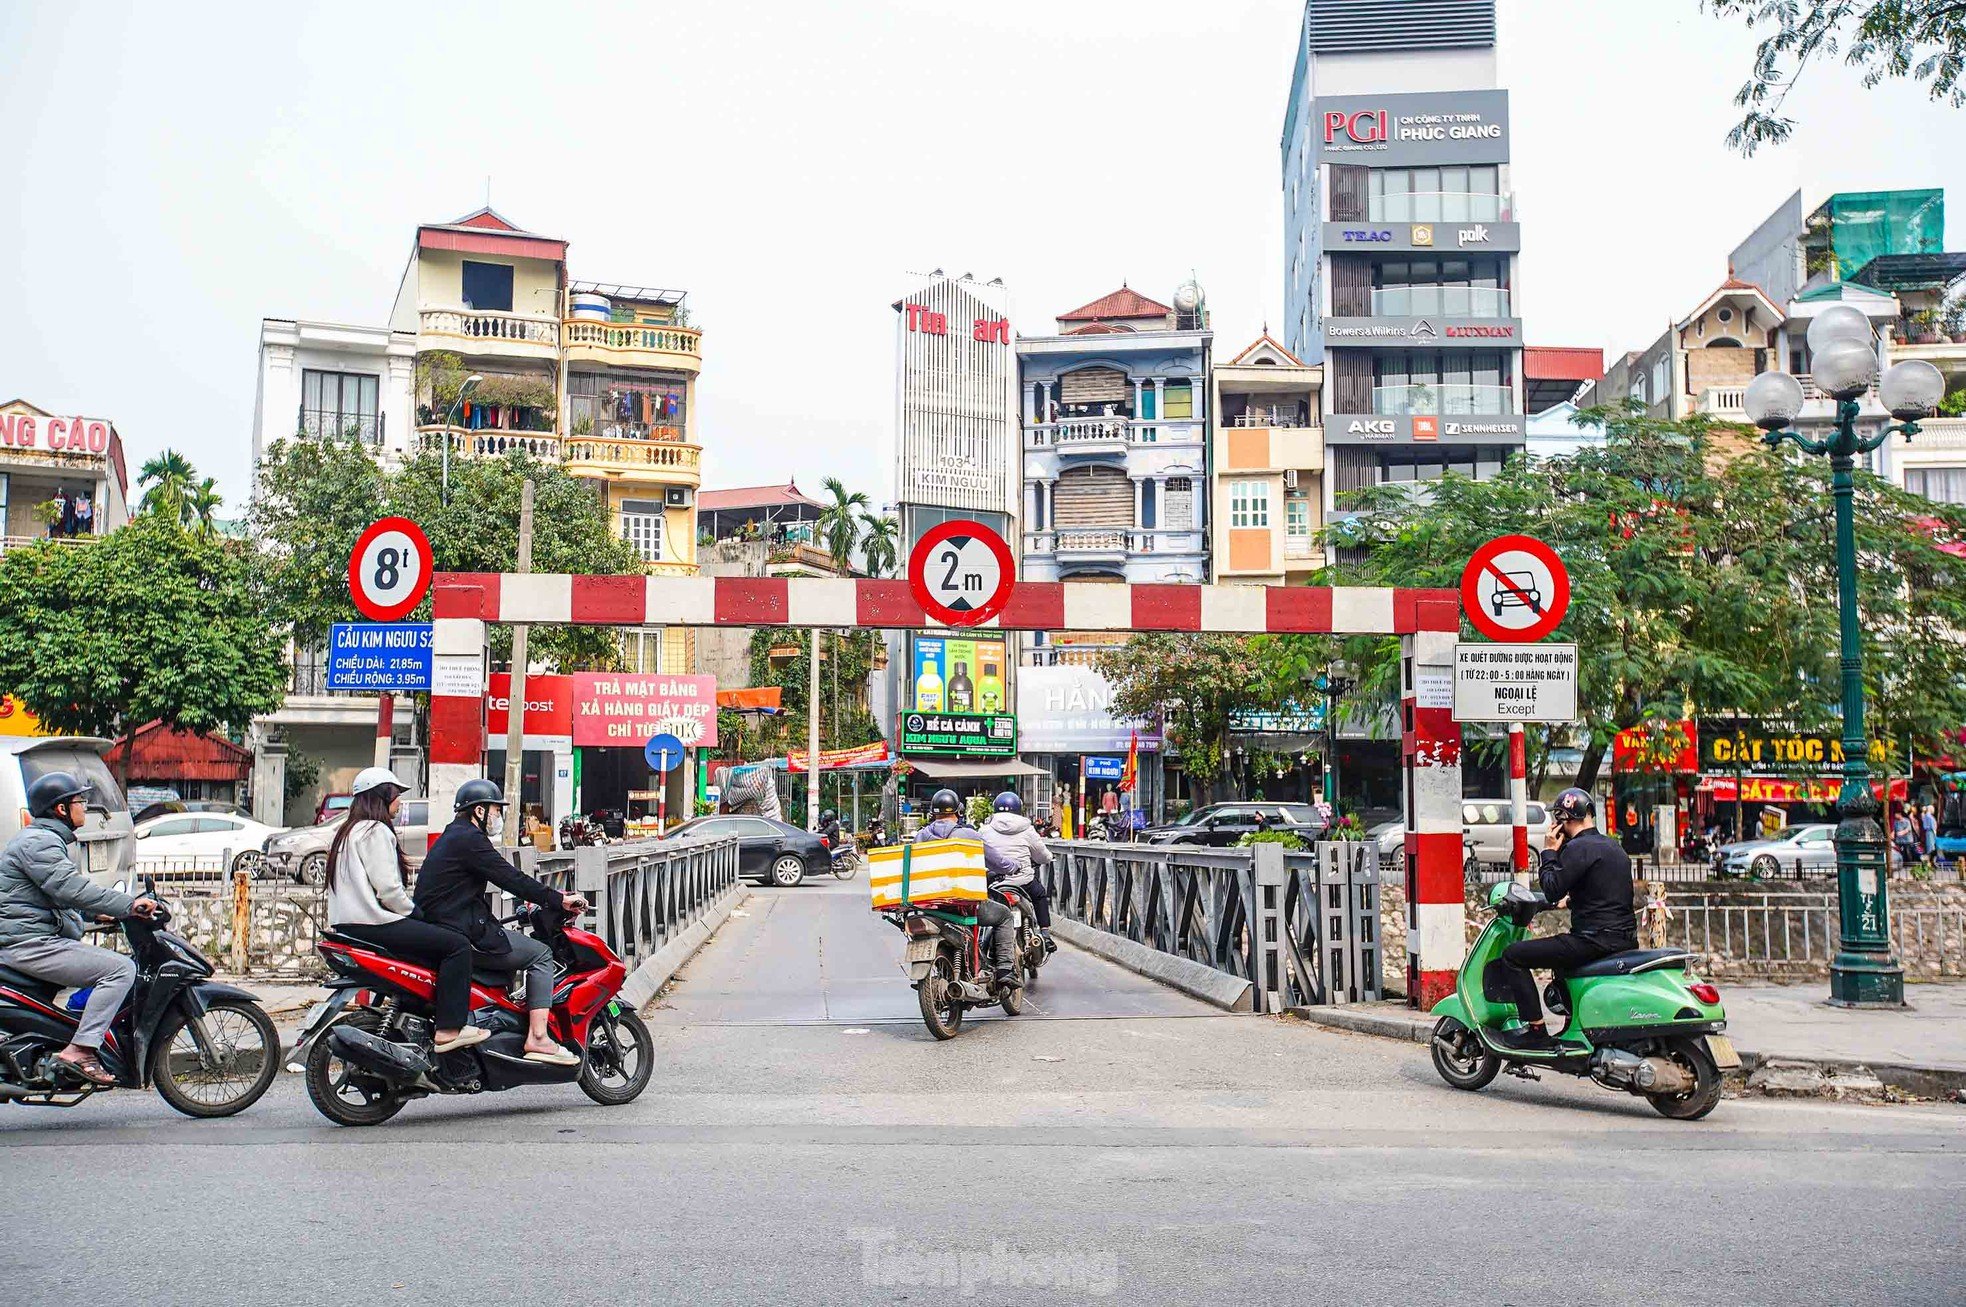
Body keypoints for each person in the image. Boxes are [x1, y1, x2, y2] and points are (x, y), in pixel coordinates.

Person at [0, 772, 162, 1086]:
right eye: (80, 801)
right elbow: (70, 889)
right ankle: (82, 1049)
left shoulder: (46, 841)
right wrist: (127, 904)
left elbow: (56, 896)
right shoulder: (39, 843)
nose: (85, 808)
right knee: (119, 970)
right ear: (61, 809)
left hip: (32, 939)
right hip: (30, 945)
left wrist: (97, 915)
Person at [413, 779, 588, 1065]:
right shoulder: (470, 840)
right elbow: (508, 877)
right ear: (479, 811)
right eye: (495, 810)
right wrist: (558, 900)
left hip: (445, 925)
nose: (498, 817)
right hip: (460, 931)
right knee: (541, 955)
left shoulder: (454, 836)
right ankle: (539, 1037)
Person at [326, 769, 484, 1054]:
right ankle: (449, 1028)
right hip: (373, 922)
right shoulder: (375, 831)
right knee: (456, 945)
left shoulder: (347, 831)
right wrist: (415, 914)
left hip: (348, 923)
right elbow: (388, 891)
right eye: (396, 796)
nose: (399, 804)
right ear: (381, 798)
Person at [1487, 788, 1638, 1052]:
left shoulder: (1578, 848)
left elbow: (1552, 887)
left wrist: (1548, 852)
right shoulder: (1614, 848)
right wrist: (1566, 902)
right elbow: (1601, 894)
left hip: (1592, 942)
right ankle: (1571, 1028)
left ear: (1564, 819)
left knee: (1513, 955)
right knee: (1559, 960)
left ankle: (1535, 1031)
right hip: (1623, 940)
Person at [918, 788, 1017, 988]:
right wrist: (1013, 866)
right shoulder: (968, 834)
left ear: (933, 813)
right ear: (958, 811)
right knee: (1005, 915)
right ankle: (1006, 969)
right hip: (963, 905)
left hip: (931, 905)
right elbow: (996, 861)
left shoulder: (921, 836)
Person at [980, 791, 1056, 953]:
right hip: (1023, 881)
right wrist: (1048, 858)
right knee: (1040, 895)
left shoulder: (984, 831)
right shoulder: (1027, 830)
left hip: (995, 883)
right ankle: (1045, 934)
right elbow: (1042, 855)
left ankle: (981, 938)